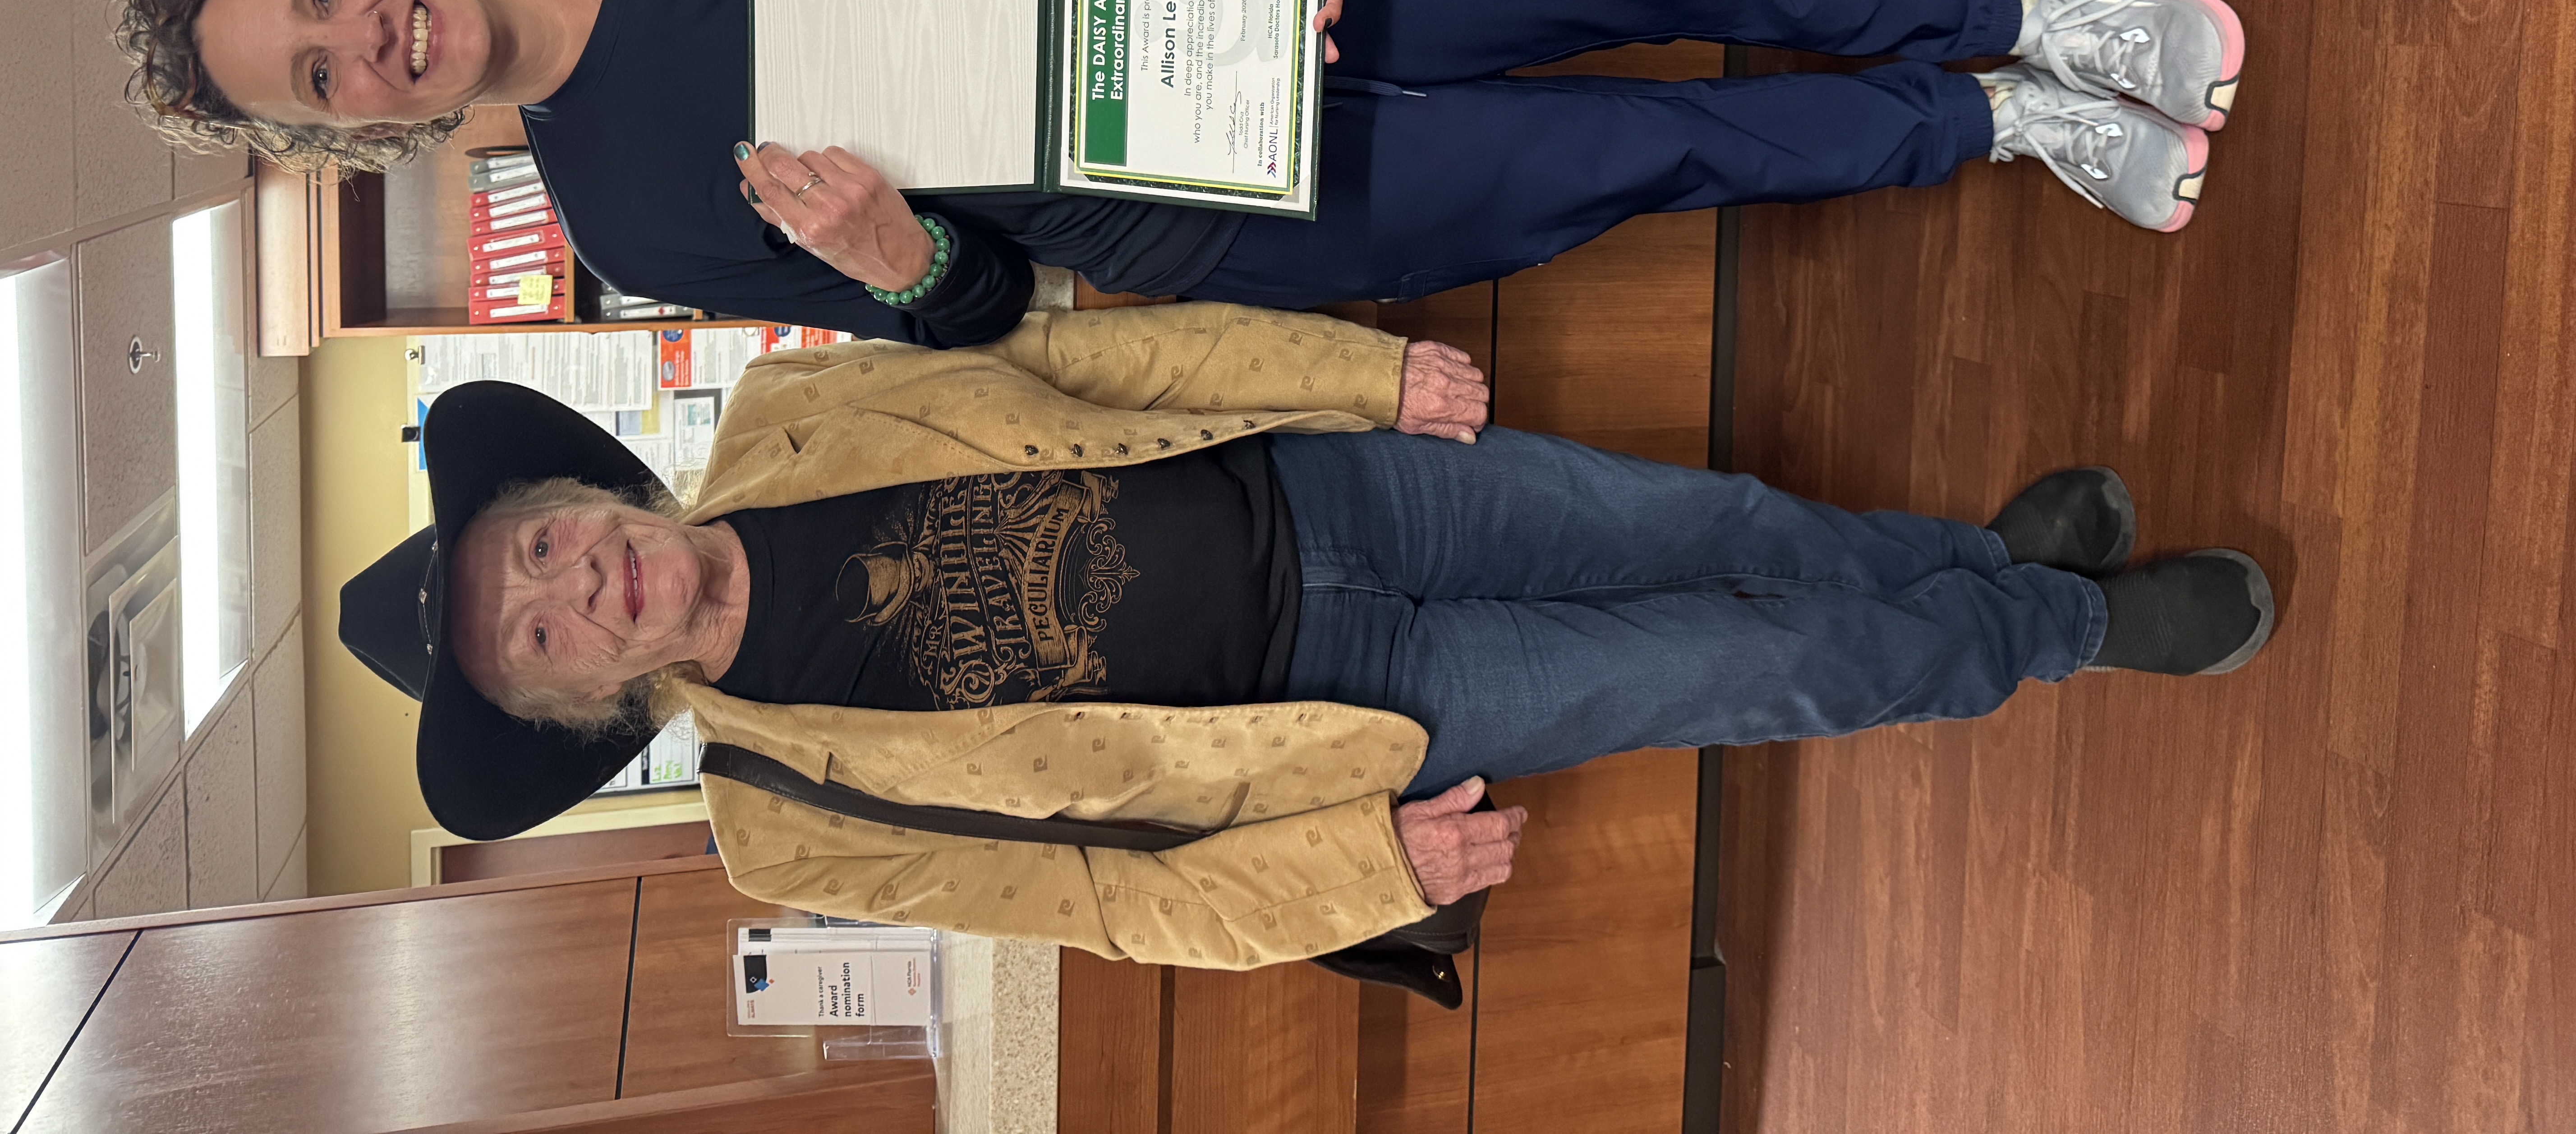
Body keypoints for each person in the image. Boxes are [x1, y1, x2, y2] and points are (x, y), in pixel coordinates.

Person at [338, 303, 2276, 973]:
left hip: (1342, 492)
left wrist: (1353, 377)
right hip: (1356, 711)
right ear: (581, 705)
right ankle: (2061, 628)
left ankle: (1977, 566)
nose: (577, 583)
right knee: (1756, 661)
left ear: (584, 496)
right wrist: (1361, 866)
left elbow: (1073, 355)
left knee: (1728, 522)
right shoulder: (776, 814)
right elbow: (1096, 904)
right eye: (535, 632)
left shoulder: (787, 414)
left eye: (545, 544)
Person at [119, 0, 2249, 348]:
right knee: (1654, 154)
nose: (356, 43)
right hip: (1220, 193)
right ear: (350, 140)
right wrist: (881, 258)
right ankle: (1993, 123)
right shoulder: (632, 223)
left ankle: (2028, 13)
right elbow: (981, 312)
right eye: (317, 84)